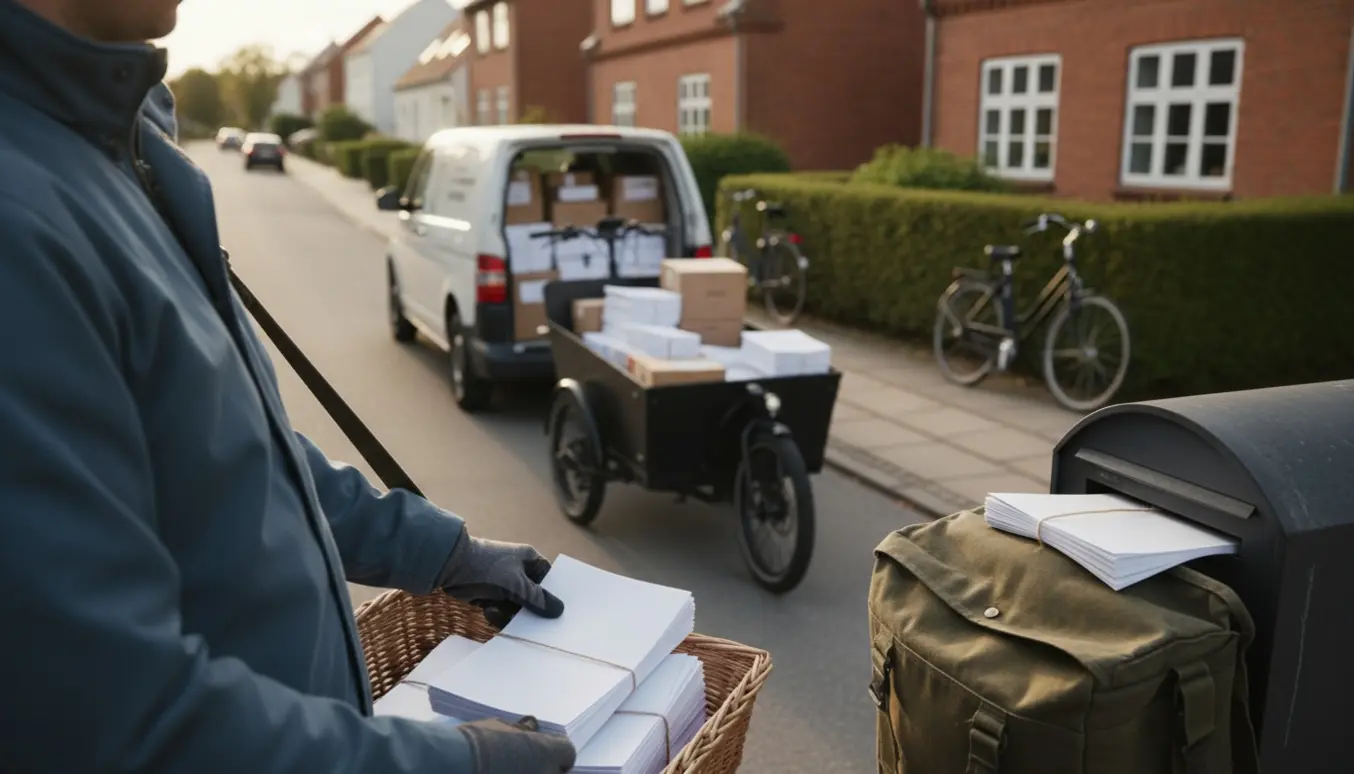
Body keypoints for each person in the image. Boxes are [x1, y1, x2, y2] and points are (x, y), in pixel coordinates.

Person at [0, 1, 577, 772]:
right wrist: (461, 765)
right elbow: (117, 721)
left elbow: (229, 456)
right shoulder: (21, 212)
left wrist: (446, 553)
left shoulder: (115, 143)